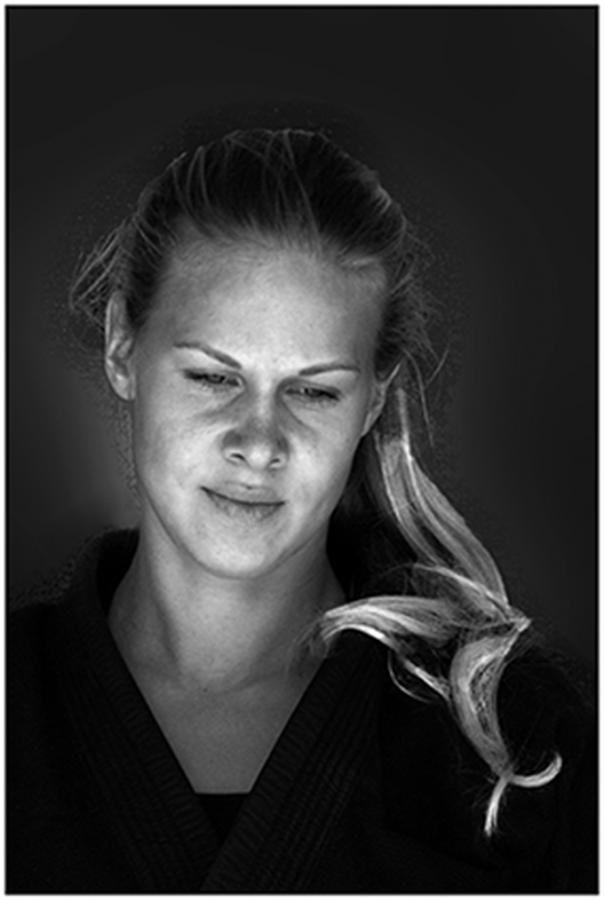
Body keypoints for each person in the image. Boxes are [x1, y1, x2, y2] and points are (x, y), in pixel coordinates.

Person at [8, 128, 595, 892]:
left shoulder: (515, 738)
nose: (259, 444)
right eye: (213, 378)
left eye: (313, 391)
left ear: (373, 399)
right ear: (124, 348)